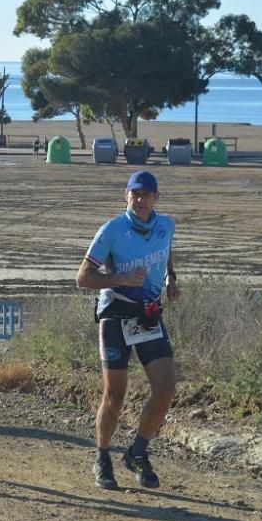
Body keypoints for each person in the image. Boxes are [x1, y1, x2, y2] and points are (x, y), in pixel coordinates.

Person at [76, 170, 179, 490]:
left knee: (166, 388)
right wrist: (120, 279)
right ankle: (102, 457)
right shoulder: (111, 230)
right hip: (116, 313)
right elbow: (83, 277)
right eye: (135, 193)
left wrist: (170, 279)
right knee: (115, 394)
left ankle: (137, 452)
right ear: (126, 196)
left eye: (146, 194)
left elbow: (167, 250)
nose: (140, 199)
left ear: (156, 198)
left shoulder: (167, 225)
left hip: (146, 314)